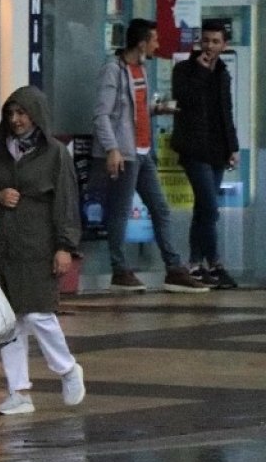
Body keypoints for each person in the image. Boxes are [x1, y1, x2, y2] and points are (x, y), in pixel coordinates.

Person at [0, 86, 85, 416]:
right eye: (10, 113)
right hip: (5, 246)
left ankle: (66, 369)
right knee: (10, 322)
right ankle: (18, 391)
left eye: (21, 113)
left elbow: (66, 202)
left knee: (38, 313)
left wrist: (65, 246)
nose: (15, 120)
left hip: (39, 244)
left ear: (35, 115)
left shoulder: (55, 154)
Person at [91, 18, 206, 294]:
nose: (158, 44)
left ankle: (174, 268)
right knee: (119, 212)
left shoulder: (141, 69)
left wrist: (157, 109)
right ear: (142, 43)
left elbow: (133, 110)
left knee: (160, 207)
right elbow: (101, 114)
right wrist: (112, 149)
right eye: (154, 40)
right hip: (125, 154)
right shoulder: (113, 70)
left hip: (143, 152)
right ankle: (120, 270)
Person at [170, 20, 239, 289]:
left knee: (203, 208)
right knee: (210, 207)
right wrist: (200, 72)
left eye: (215, 41)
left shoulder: (223, 73)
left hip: (217, 150)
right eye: (206, 41)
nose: (209, 46)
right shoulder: (185, 69)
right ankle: (214, 263)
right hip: (193, 148)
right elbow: (184, 99)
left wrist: (232, 147)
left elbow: (226, 112)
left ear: (224, 45)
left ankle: (196, 264)